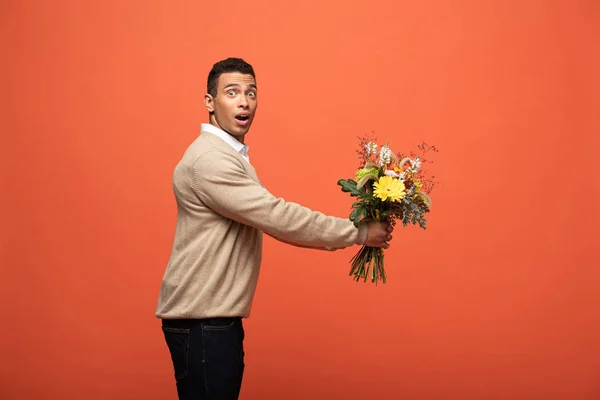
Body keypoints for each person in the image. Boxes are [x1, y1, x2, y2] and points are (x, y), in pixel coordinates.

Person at [155, 57, 394, 399]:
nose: (244, 101)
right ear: (210, 102)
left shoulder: (226, 155)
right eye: (232, 92)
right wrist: (358, 232)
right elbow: (277, 216)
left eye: (251, 93)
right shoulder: (210, 160)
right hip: (203, 321)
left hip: (209, 319)